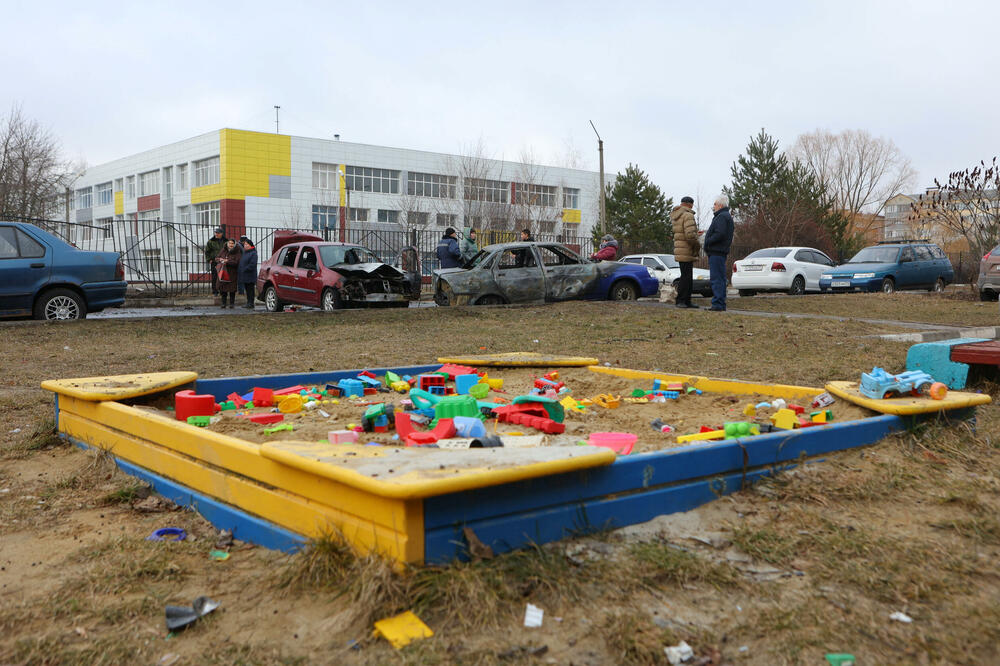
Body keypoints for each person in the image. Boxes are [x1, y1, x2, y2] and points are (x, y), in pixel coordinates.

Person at [705, 194, 735, 311]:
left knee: (717, 278)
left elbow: (720, 233)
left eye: (715, 204)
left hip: (716, 252)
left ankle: (717, 303)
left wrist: (708, 241)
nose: (714, 206)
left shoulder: (722, 217)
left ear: (720, 205)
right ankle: (720, 303)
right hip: (720, 252)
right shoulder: (726, 216)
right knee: (720, 278)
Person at [670, 196, 701, 308]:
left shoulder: (676, 215)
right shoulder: (688, 215)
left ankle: (686, 300)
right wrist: (697, 245)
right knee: (686, 277)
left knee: (686, 275)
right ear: (690, 204)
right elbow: (690, 235)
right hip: (686, 250)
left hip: (679, 249)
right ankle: (682, 300)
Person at [214, 238, 242, 309]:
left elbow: (237, 262)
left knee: (232, 289)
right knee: (223, 289)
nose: (231, 245)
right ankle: (223, 303)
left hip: (232, 273)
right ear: (227, 243)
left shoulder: (237, 251)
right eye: (230, 243)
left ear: (234, 244)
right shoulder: (223, 250)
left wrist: (228, 261)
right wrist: (220, 260)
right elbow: (216, 258)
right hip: (223, 272)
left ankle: (232, 304)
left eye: (232, 243)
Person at [204, 227, 227, 296]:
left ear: (221, 234)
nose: (216, 234)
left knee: (223, 276)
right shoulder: (211, 241)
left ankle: (222, 290)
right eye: (215, 233)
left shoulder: (226, 241)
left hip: (223, 261)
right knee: (214, 276)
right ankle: (215, 291)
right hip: (214, 261)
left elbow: (229, 250)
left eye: (218, 233)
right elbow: (207, 251)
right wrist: (209, 259)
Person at [237, 236, 258, 309]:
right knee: (247, 290)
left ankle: (251, 303)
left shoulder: (253, 253)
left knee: (250, 290)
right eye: (244, 245)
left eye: (247, 245)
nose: (245, 246)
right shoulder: (245, 252)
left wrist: (245, 269)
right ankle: (248, 302)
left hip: (250, 275)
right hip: (244, 275)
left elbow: (252, 264)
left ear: (250, 245)